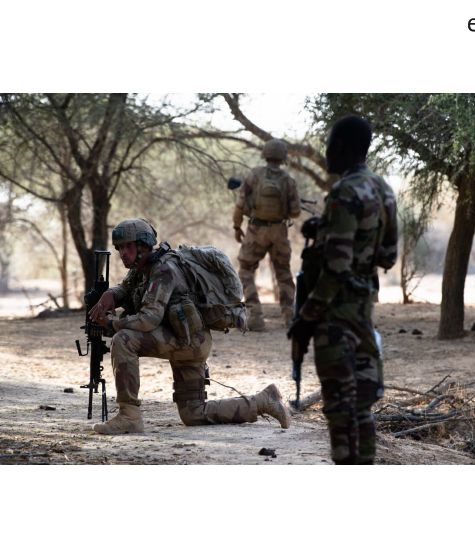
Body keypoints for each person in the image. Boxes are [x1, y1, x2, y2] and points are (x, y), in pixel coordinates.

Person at [89, 218, 291, 435]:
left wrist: (113, 324)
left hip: (187, 342)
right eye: (120, 248)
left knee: (124, 340)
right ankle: (263, 402)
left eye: (129, 246)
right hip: (191, 339)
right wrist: (111, 295)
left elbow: (149, 319)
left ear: (143, 245)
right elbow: (127, 288)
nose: (123, 253)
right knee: (193, 413)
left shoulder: (163, 269)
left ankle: (129, 416)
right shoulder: (143, 268)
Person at [288, 115, 398, 464]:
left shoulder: (344, 192)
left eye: (331, 144)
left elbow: (335, 268)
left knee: (338, 408)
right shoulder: (383, 189)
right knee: (362, 406)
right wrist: (327, 227)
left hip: (335, 315)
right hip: (364, 308)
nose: (327, 151)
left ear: (344, 147)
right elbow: (388, 256)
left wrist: (305, 318)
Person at [233, 139, 301, 330]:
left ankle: (255, 315)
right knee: (284, 273)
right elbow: (295, 212)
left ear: (265, 155)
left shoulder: (254, 175)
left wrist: (237, 226)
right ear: (283, 158)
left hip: (256, 231)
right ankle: (289, 316)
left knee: (246, 270)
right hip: (279, 231)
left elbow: (240, 204)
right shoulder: (288, 180)